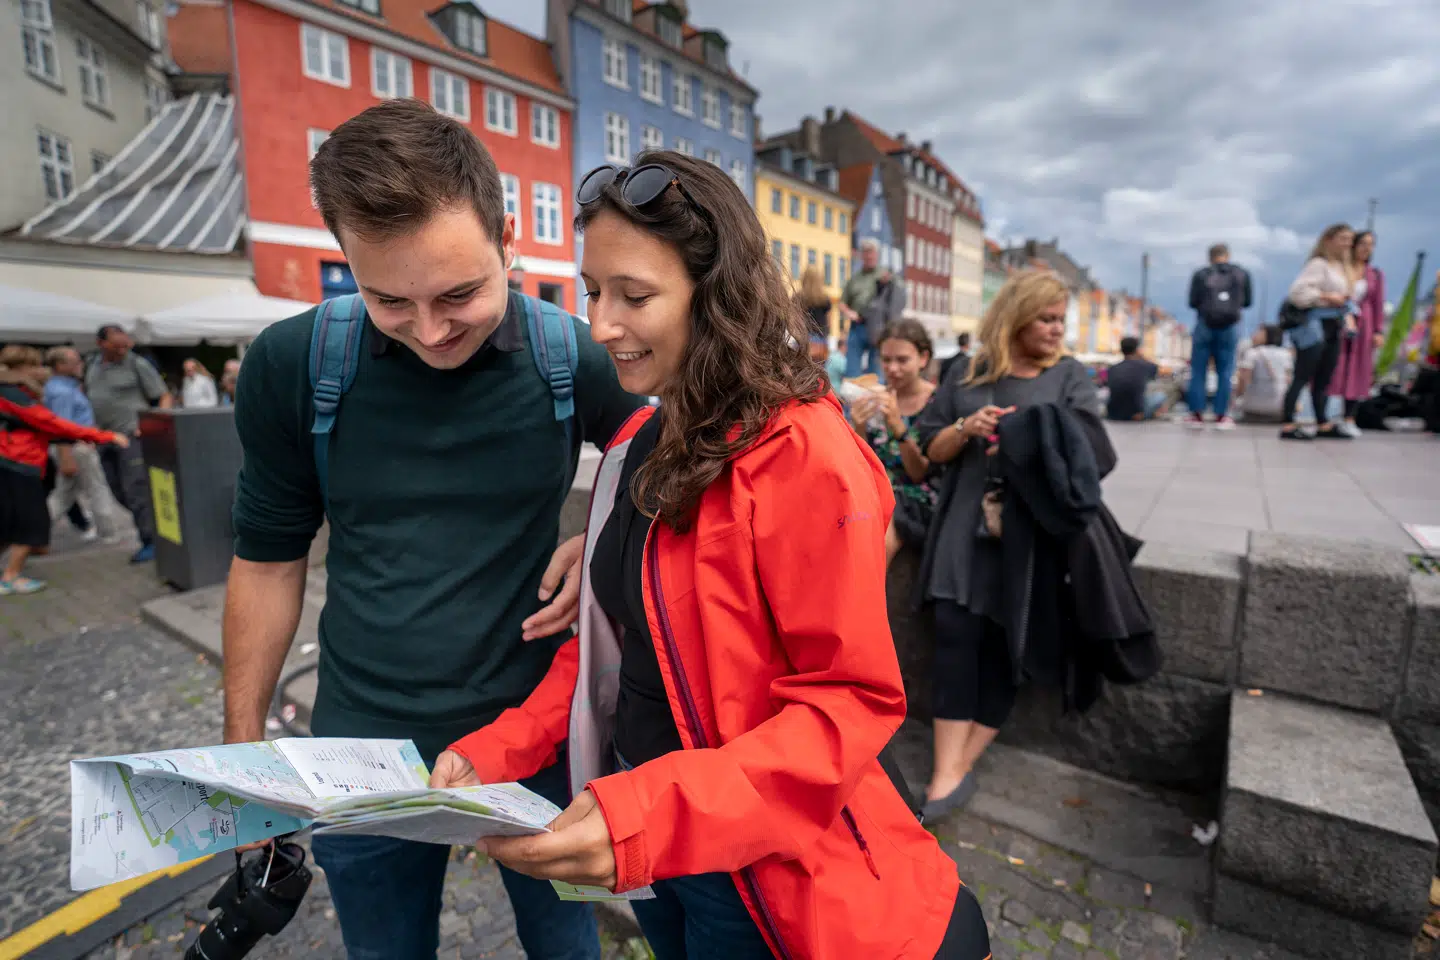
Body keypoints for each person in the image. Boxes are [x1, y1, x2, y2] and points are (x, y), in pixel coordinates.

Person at [433, 153, 989, 960]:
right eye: (593, 292)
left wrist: (651, 817)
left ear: (716, 293)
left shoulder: (803, 451)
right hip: (657, 841)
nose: (602, 325)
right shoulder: (641, 442)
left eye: (634, 296)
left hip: (750, 863)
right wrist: (499, 749)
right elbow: (618, 649)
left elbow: (847, 704)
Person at [226, 100, 643, 959]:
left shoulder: (572, 355)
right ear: (346, 260)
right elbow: (267, 562)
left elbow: (673, 463)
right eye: (389, 300)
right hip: (363, 747)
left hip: (540, 738)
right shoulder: (292, 365)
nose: (431, 330)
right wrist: (241, 757)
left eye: (460, 293)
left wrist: (609, 531)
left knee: (567, 945)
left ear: (508, 239)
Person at [914, 270, 1148, 818]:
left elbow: (1093, 456)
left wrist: (1030, 437)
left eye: (1060, 319)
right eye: (1046, 318)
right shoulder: (966, 372)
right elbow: (930, 449)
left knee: (1006, 645)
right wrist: (965, 428)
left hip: (1030, 535)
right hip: (963, 523)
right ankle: (948, 772)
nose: (1056, 329)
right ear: (1016, 318)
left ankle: (953, 772)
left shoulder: (1069, 376)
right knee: (953, 637)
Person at [1, 346, 128, 595]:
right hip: (22, 462)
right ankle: (11, 576)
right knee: (32, 521)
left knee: (16, 519)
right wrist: (104, 436)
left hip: (19, 460)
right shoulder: (19, 395)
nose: (40, 370)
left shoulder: (15, 392)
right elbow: (55, 424)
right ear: (20, 368)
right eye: (35, 365)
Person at [849, 319, 939, 566]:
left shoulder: (937, 402)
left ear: (923, 358)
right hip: (878, 491)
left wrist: (899, 428)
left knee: (880, 527)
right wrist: (859, 427)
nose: (892, 368)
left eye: (902, 360)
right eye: (886, 360)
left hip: (917, 497)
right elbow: (863, 467)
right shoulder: (875, 397)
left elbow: (919, 473)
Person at [86, 325, 171, 562]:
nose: (123, 350)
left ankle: (151, 541)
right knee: (117, 489)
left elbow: (163, 395)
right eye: (117, 346)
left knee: (136, 488)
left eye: (125, 345)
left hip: (132, 436)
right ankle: (152, 530)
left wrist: (155, 424)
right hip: (104, 438)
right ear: (101, 343)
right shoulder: (91, 364)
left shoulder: (136, 364)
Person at [1281, 223, 1355, 440]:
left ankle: (1322, 421)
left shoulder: (1342, 267)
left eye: (1350, 240)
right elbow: (1297, 293)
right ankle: (1288, 423)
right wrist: (1326, 297)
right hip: (1314, 325)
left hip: (1334, 324)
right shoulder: (1318, 264)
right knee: (1302, 374)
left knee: (1324, 377)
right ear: (1329, 240)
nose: (1347, 244)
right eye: (1343, 239)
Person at [43, 347, 122, 544]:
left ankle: (33, 534)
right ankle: (109, 532)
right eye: (75, 361)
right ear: (60, 365)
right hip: (76, 447)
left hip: (73, 447)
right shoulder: (62, 392)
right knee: (95, 489)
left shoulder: (62, 388)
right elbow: (62, 426)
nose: (80, 365)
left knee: (64, 495)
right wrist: (65, 456)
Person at [1185, 243, 1253, 429]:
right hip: (1230, 326)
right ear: (1227, 255)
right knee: (1226, 371)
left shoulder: (1201, 274)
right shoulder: (1241, 274)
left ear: (1210, 257)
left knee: (1198, 370)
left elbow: (1192, 302)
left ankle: (1196, 415)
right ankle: (1222, 415)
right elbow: (1247, 302)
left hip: (1204, 324)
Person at [1327, 230, 1385, 437]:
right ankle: (1325, 415)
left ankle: (1349, 417)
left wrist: (1378, 330)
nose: (1367, 248)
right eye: (1363, 243)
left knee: (1357, 370)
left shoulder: (1375, 274)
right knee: (1334, 366)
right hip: (1340, 321)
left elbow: (1378, 304)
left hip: (1364, 326)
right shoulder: (1341, 269)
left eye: (1371, 244)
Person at [839, 239, 903, 378]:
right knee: (852, 371)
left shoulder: (886, 276)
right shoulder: (855, 278)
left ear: (877, 254)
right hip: (857, 326)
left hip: (878, 327)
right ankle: (853, 390)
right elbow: (842, 303)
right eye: (866, 253)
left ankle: (876, 389)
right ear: (862, 255)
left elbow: (896, 300)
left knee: (876, 373)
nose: (869, 256)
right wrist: (849, 313)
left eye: (871, 253)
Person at [1234, 325, 1293, 422]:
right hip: (1279, 407)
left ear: (1267, 336)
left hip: (1253, 407)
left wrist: (1238, 397)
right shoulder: (1286, 354)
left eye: (1259, 333)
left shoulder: (1252, 353)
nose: (1254, 335)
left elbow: (1243, 380)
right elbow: (1289, 381)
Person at [1105, 336, 1162, 421]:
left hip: (1113, 413)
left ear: (1121, 349)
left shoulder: (1112, 368)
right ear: (1136, 350)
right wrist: (1141, 356)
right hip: (1136, 412)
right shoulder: (1145, 366)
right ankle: (1149, 414)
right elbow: (1155, 369)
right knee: (1160, 396)